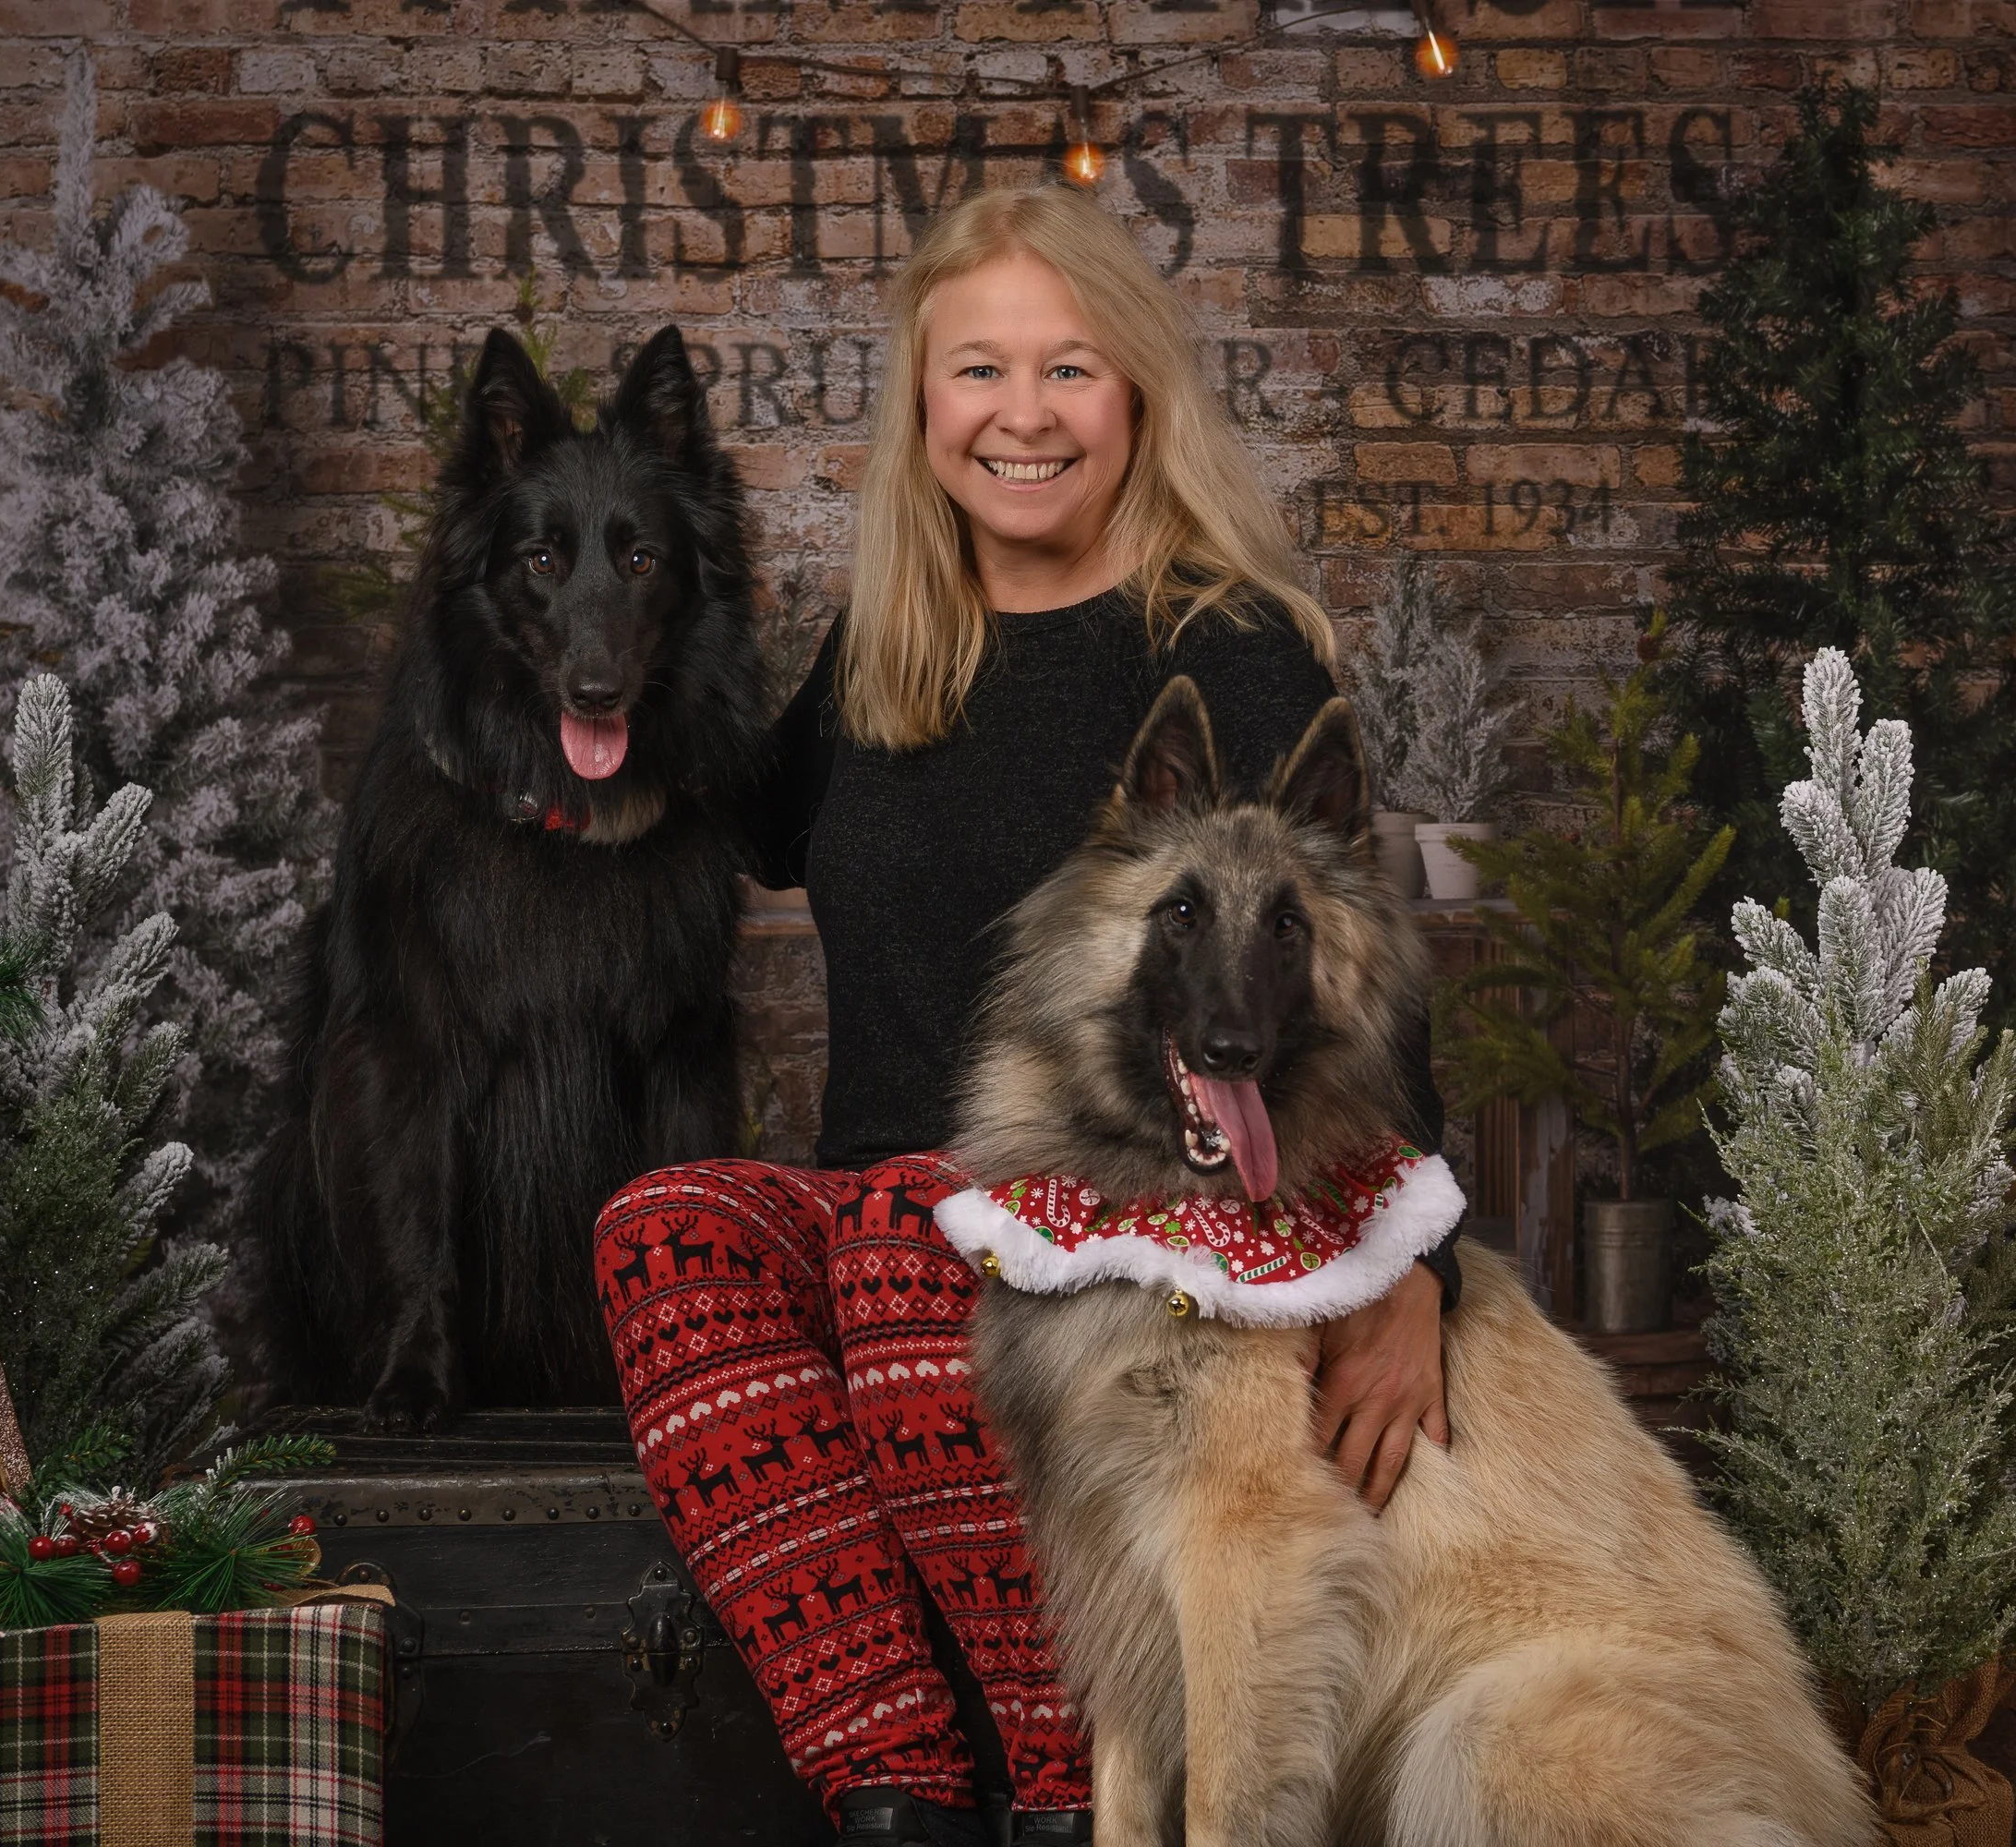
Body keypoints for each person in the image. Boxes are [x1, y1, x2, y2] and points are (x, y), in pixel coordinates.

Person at [596, 185, 1458, 1847]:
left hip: (1125, 1223)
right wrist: (598, 662)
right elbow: (735, 813)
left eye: (1070, 369)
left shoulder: (1230, 643)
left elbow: (1339, 959)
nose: (1024, 414)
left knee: (907, 1238)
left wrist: (1412, 1259)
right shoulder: (889, 643)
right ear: (925, 408)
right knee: (667, 1226)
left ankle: (1076, 1790)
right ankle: (900, 1784)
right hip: (886, 1202)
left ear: (1137, 396)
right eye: (978, 370)